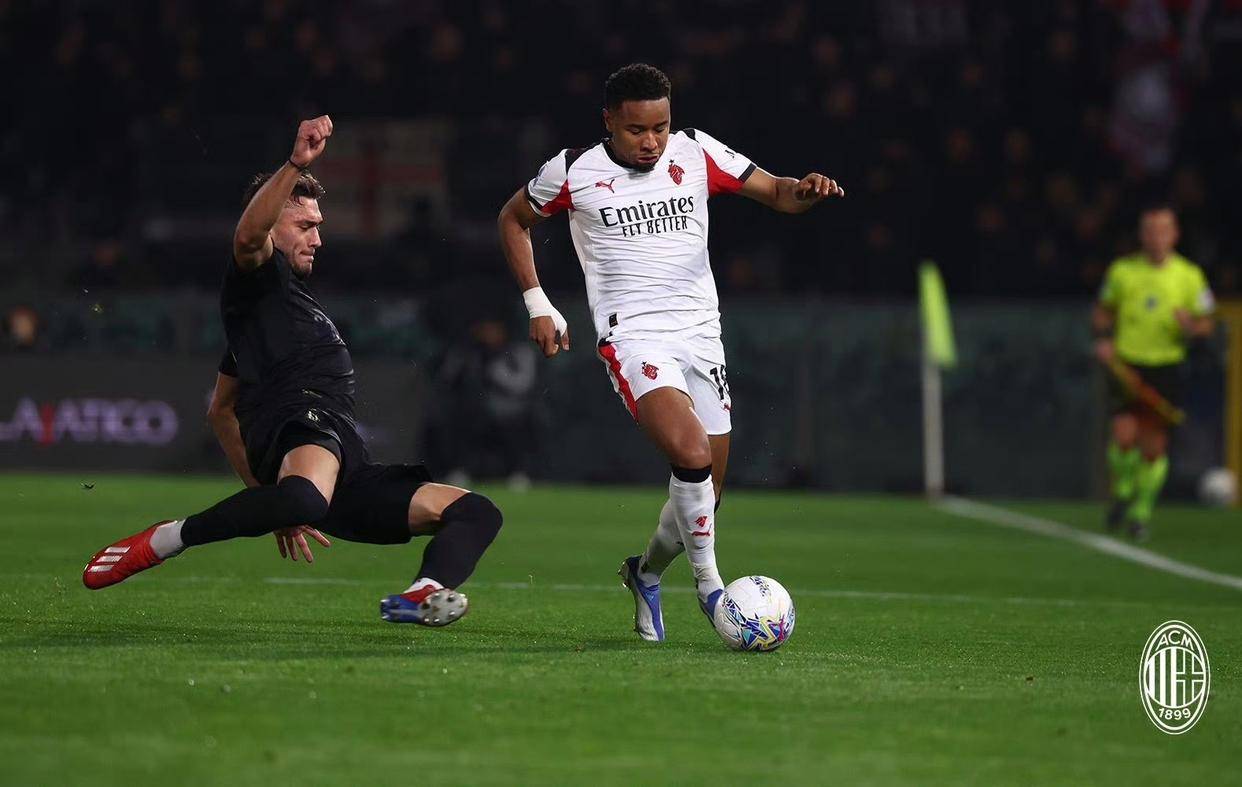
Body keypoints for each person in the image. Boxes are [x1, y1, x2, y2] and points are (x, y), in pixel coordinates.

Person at [82, 116, 503, 626]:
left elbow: (221, 411)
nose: (317, 239)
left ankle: (423, 592)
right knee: (303, 496)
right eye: (305, 226)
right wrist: (294, 164)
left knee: (476, 511)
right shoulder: (258, 280)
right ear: (272, 225)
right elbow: (247, 237)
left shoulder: (276, 315)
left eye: (318, 227)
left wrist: (271, 502)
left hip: (344, 467)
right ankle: (167, 538)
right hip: (303, 430)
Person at [496, 64, 844, 641]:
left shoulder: (696, 152)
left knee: (705, 496)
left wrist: (803, 190)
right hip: (632, 336)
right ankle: (712, 590)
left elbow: (778, 193)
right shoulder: (574, 170)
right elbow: (513, 219)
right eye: (637, 130)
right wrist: (538, 303)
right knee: (690, 451)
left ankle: (646, 573)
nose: (652, 142)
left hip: (701, 336)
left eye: (660, 127)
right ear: (609, 121)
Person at [1093, 205, 1215, 541]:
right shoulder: (1123, 271)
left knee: (1153, 447)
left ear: (1174, 235)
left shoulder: (1189, 276)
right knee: (1122, 436)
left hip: (1166, 367)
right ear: (1141, 235)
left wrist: (1192, 327)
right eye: (1150, 230)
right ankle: (1125, 487)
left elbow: (1207, 323)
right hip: (1127, 364)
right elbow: (1103, 312)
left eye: (1163, 230)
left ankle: (1140, 512)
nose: (1156, 237)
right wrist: (1104, 340)